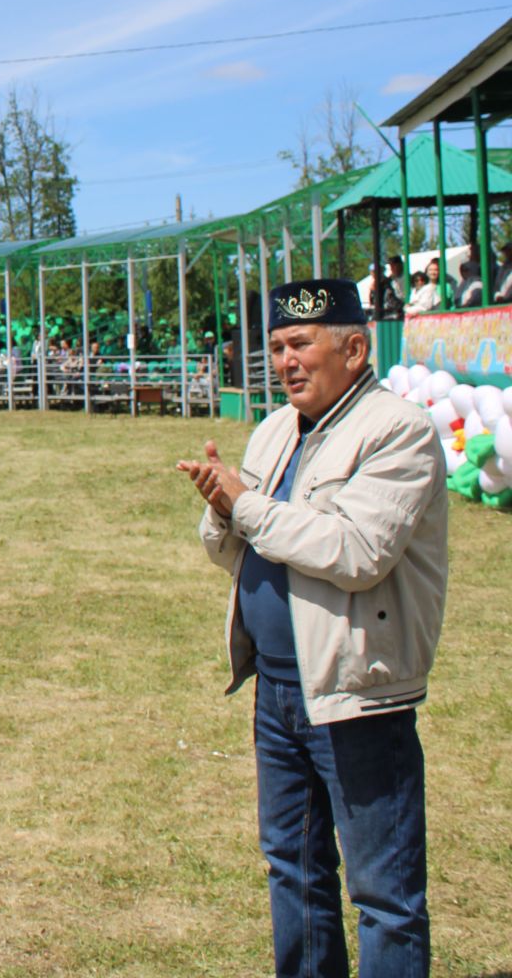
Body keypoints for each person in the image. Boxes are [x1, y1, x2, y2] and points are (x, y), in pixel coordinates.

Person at [177, 278, 447, 977]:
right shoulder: (273, 429)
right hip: (278, 690)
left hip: (357, 696)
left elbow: (356, 552)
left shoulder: (398, 430)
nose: (285, 361)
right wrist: (220, 505)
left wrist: (248, 507)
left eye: (302, 344)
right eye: (275, 347)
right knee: (293, 872)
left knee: (384, 896)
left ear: (355, 349)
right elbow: (232, 549)